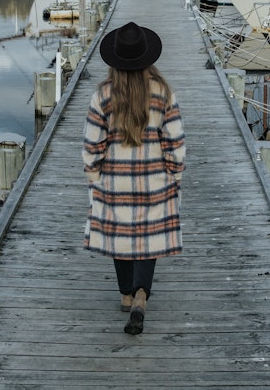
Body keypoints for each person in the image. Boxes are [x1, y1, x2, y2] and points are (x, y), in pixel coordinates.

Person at [82, 21, 186, 336]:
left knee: (120, 237)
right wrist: (173, 175)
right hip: (154, 182)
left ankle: (126, 294)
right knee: (147, 238)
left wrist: (95, 176)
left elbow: (92, 146)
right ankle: (143, 293)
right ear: (147, 57)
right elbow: (176, 144)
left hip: (114, 184)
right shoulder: (164, 93)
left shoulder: (102, 96)